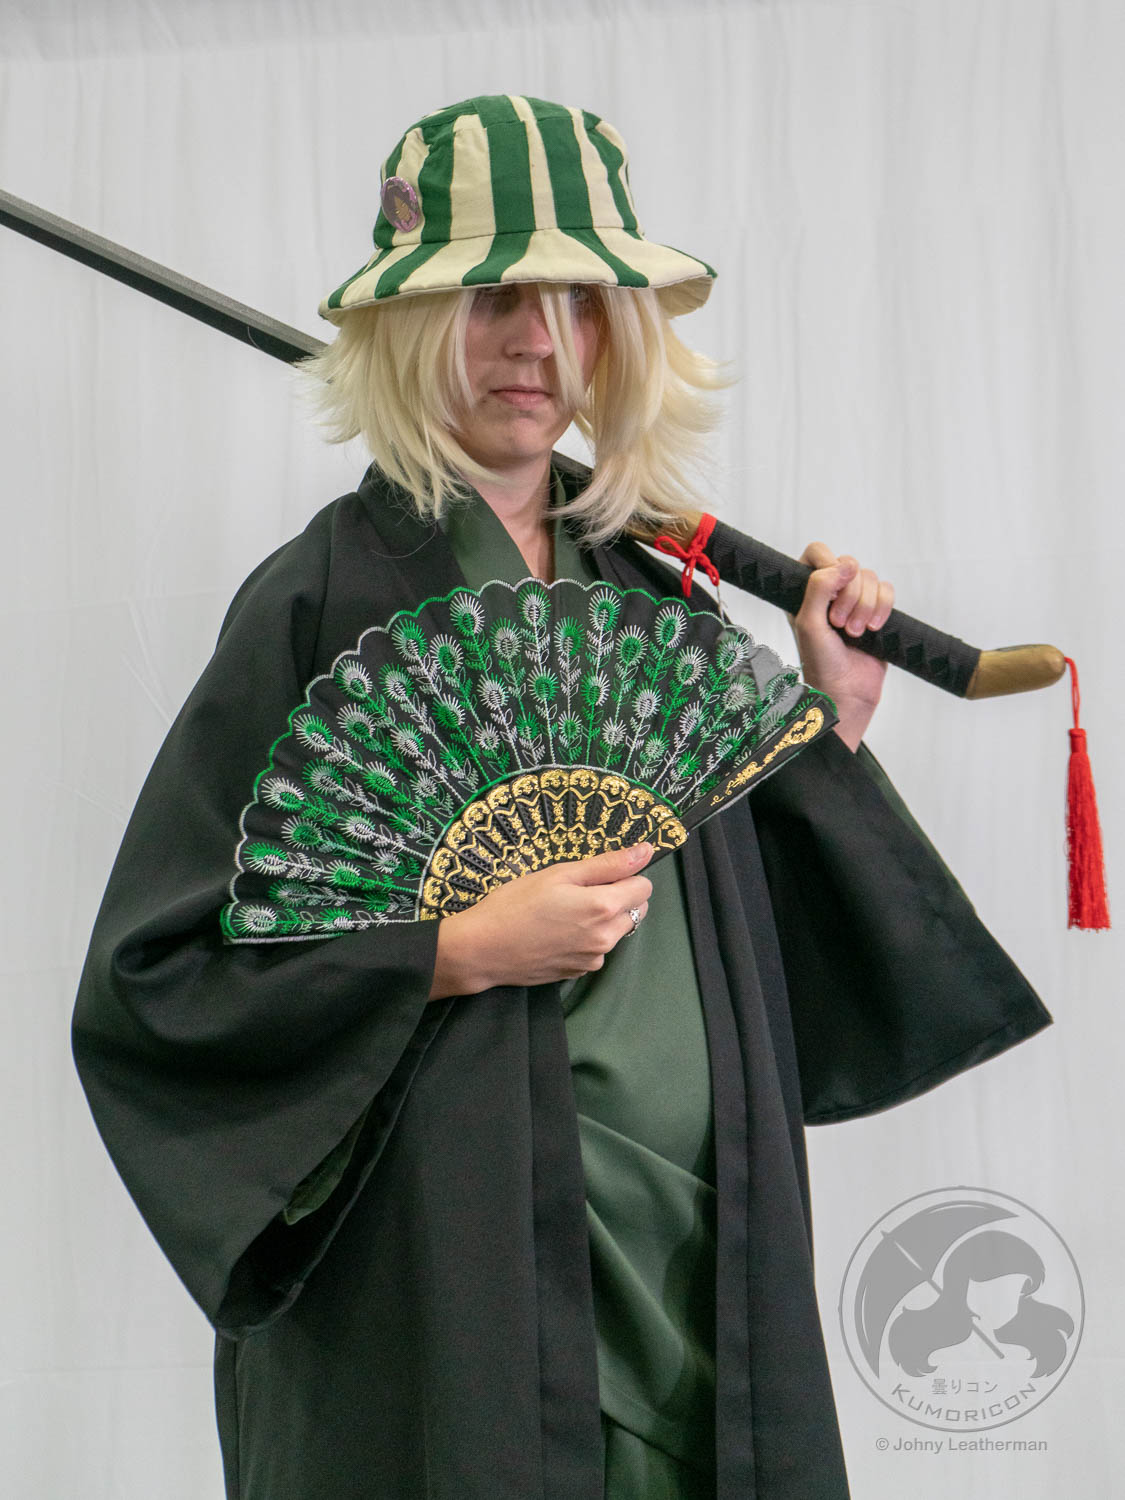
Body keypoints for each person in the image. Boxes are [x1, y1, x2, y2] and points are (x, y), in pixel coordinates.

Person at [72, 94, 1051, 1500]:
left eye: (579, 304)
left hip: (691, 1253)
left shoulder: (656, 604)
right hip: (444, 1265)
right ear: (413, 323)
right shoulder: (316, 608)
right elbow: (159, 982)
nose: (536, 343)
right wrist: (453, 949)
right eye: (492, 300)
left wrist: (826, 708)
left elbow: (753, 933)